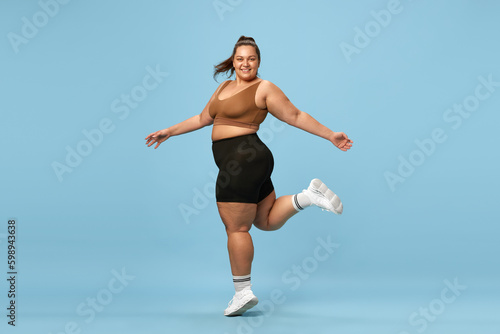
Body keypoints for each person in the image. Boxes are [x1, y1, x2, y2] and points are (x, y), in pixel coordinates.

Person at [145, 36, 353, 316]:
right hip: (251, 160)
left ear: (258, 62)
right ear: (233, 61)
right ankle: (307, 197)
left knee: (237, 229)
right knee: (264, 221)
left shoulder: (264, 88)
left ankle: (242, 293)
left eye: (251, 59)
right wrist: (169, 131)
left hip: (240, 161)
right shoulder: (224, 87)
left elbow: (294, 115)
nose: (245, 63)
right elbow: (203, 118)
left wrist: (331, 135)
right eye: (240, 58)